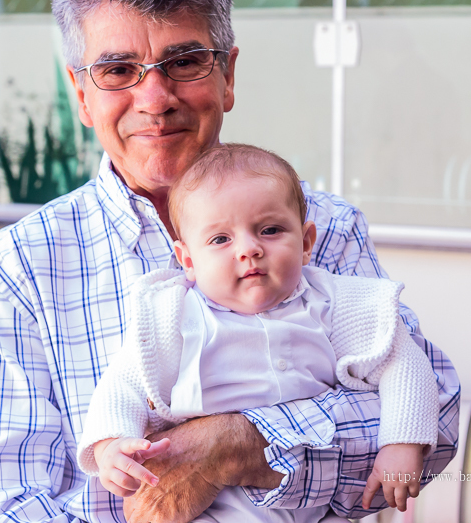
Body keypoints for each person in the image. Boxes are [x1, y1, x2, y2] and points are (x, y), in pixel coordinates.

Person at [0, 0, 460, 523]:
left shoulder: (322, 229)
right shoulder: (16, 272)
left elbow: (430, 415)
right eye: (117, 69)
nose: (154, 98)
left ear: (227, 76)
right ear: (81, 94)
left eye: (183, 62)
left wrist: (236, 445)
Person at [81, 144, 441, 523]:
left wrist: (402, 443)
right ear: (188, 260)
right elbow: (122, 384)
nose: (249, 249)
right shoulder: (173, 316)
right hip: (204, 511)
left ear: (305, 243)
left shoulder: (334, 302)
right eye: (221, 240)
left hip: (307, 508)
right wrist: (110, 445)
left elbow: (403, 362)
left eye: (270, 230)